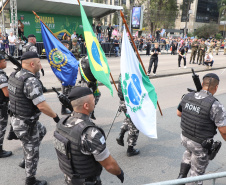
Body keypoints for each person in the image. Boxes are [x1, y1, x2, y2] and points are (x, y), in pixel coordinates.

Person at [54, 86, 124, 185]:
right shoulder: (90, 133)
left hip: (70, 179)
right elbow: (109, 165)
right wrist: (119, 172)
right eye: (93, 100)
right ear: (86, 106)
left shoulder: (61, 123)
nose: (95, 101)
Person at [8, 51, 60, 185]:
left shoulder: (15, 75)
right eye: (38, 63)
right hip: (26, 123)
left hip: (16, 119)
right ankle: (30, 179)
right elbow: (42, 106)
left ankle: (26, 159)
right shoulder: (30, 81)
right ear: (32, 64)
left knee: (42, 131)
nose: (41, 66)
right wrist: (56, 117)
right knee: (32, 150)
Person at [177, 73, 226, 185]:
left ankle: (181, 177)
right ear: (216, 87)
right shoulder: (215, 105)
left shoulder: (188, 96)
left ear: (203, 83)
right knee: (196, 175)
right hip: (200, 143)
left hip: (185, 137)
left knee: (188, 152)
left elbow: (179, 113)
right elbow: (223, 130)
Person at [116, 74, 140, 157]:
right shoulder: (131, 72)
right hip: (130, 104)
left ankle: (121, 134)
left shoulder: (123, 72)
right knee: (135, 126)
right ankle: (130, 149)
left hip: (122, 102)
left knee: (128, 119)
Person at [0, 54, 12, 158]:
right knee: (1, 128)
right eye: (4, 61)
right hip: (1, 106)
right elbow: (7, 93)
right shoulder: (1, 75)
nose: (5, 62)